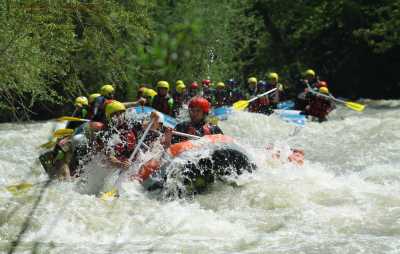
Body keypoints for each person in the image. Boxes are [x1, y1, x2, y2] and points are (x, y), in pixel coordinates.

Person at [103, 101, 164, 169]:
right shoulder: (108, 135)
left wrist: (154, 119)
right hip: (119, 166)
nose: (119, 117)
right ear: (110, 118)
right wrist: (120, 164)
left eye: (121, 113)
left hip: (136, 159)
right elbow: (110, 157)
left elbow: (152, 126)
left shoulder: (130, 125)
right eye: (116, 115)